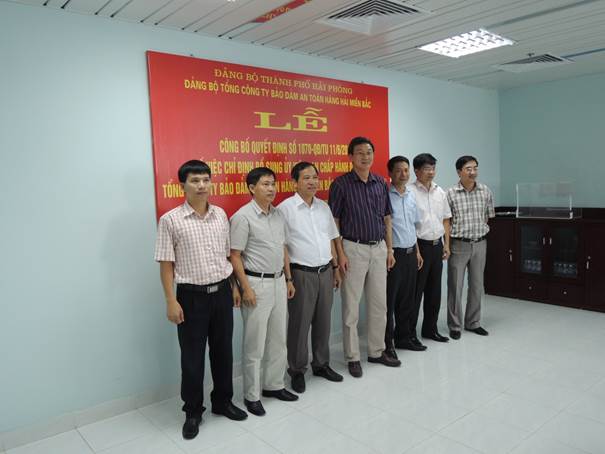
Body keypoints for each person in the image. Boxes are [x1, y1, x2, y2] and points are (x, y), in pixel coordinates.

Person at [154, 160, 247, 441]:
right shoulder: (170, 220)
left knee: (223, 352)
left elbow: (226, 256)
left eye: (206, 179)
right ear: (182, 184)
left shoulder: (220, 215)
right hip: (190, 297)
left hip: (221, 293)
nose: (202, 185)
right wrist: (171, 300)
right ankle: (193, 411)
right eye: (195, 180)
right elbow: (166, 265)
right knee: (192, 358)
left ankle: (223, 401)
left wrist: (233, 287)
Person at [329, 136, 401, 378]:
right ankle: (352, 357)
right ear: (350, 157)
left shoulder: (380, 182)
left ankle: (376, 351)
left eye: (369, 152)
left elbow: (387, 218)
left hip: (379, 248)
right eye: (360, 152)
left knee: (379, 304)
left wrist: (389, 249)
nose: (365, 156)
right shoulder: (340, 185)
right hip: (353, 248)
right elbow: (334, 221)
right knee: (351, 306)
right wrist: (339, 253)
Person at [229, 167, 298, 417]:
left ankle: (274, 385)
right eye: (265, 184)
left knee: (278, 339)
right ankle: (252, 395)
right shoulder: (242, 217)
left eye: (273, 184)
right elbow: (234, 256)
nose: (271, 189)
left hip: (279, 281)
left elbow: (283, 248)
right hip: (255, 284)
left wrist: (288, 279)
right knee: (255, 344)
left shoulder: (278, 214)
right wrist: (245, 288)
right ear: (252, 188)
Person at [278, 162, 343, 393]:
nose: (312, 182)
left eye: (315, 177)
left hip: (325, 271)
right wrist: (288, 279)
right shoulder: (285, 209)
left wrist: (335, 267)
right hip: (300, 274)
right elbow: (283, 247)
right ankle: (296, 370)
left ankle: (321, 364)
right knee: (299, 324)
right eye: (306, 178)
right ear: (294, 182)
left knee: (324, 322)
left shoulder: (323, 207)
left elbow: (330, 239)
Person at [446, 156, 495, 339]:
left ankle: (473, 322)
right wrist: (447, 245)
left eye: (475, 168)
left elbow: (487, 217)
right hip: (459, 244)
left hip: (480, 243)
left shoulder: (485, 191)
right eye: (468, 168)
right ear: (459, 172)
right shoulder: (450, 193)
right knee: (455, 286)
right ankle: (455, 326)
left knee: (476, 285)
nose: (473, 172)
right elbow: (447, 222)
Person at [409, 153, 452, 343]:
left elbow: (446, 219)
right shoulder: (409, 192)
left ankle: (430, 329)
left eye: (433, 168)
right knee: (415, 293)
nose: (431, 172)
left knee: (434, 292)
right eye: (427, 168)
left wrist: (446, 244)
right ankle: (410, 333)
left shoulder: (439, 191)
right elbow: (409, 224)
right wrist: (417, 251)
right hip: (420, 247)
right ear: (416, 170)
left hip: (437, 246)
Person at [385, 156, 425, 355]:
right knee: (389, 302)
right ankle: (387, 343)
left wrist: (417, 251)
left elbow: (413, 226)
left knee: (407, 300)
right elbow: (385, 227)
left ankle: (404, 338)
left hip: (410, 254)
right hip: (394, 256)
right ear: (390, 173)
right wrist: (389, 251)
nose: (403, 174)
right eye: (399, 170)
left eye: (406, 170)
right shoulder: (385, 196)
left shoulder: (410, 196)